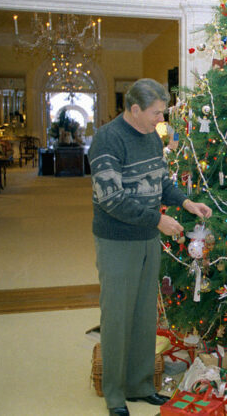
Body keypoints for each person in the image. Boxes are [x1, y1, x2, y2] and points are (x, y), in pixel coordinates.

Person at [88, 78, 212, 416]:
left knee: (145, 313)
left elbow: (161, 181)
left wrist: (185, 203)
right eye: (157, 113)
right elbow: (111, 198)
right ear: (135, 109)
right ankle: (115, 394)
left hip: (146, 237)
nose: (161, 120)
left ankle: (141, 385)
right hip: (117, 240)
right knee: (117, 316)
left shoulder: (152, 138)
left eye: (163, 112)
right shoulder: (107, 140)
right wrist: (157, 221)